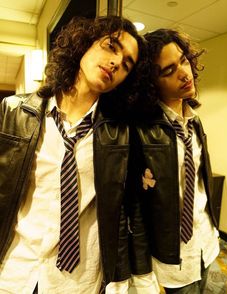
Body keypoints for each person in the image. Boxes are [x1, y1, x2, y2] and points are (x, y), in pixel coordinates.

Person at [0, 15, 156, 294]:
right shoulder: (14, 111)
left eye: (127, 64)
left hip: (77, 280)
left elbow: (126, 211)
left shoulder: (120, 134)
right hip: (15, 269)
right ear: (84, 43)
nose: (117, 62)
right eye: (111, 46)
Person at [134, 28, 220, 293]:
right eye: (168, 71)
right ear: (152, 82)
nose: (184, 73)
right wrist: (141, 269)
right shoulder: (141, 130)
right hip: (173, 259)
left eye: (183, 60)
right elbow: (135, 207)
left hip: (208, 243)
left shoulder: (195, 121)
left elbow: (199, 184)